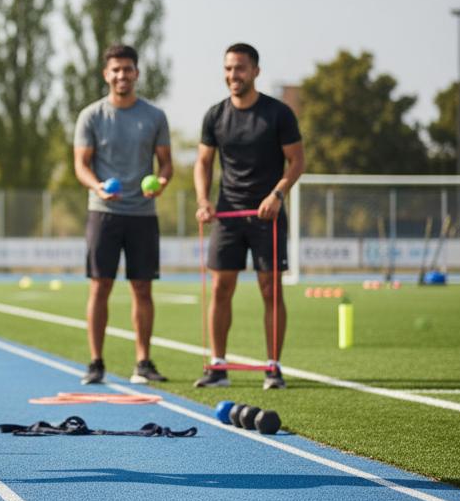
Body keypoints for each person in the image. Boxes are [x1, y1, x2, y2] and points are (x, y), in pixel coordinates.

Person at [194, 42, 304, 390]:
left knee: (270, 290)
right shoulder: (215, 115)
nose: (233, 75)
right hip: (227, 215)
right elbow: (203, 163)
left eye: (240, 68)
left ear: (255, 71)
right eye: (228, 68)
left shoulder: (278, 114)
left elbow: (297, 161)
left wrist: (277, 194)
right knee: (220, 288)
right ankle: (218, 367)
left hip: (267, 215)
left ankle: (273, 367)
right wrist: (203, 200)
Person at [73, 44, 173, 385]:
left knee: (142, 288)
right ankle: (96, 363)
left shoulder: (155, 116)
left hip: (143, 214)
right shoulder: (91, 116)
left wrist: (161, 183)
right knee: (100, 287)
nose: (121, 75)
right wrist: (98, 187)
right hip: (103, 212)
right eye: (115, 70)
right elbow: (81, 165)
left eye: (127, 69)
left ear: (136, 73)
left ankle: (143, 362)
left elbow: (166, 165)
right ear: (106, 74)